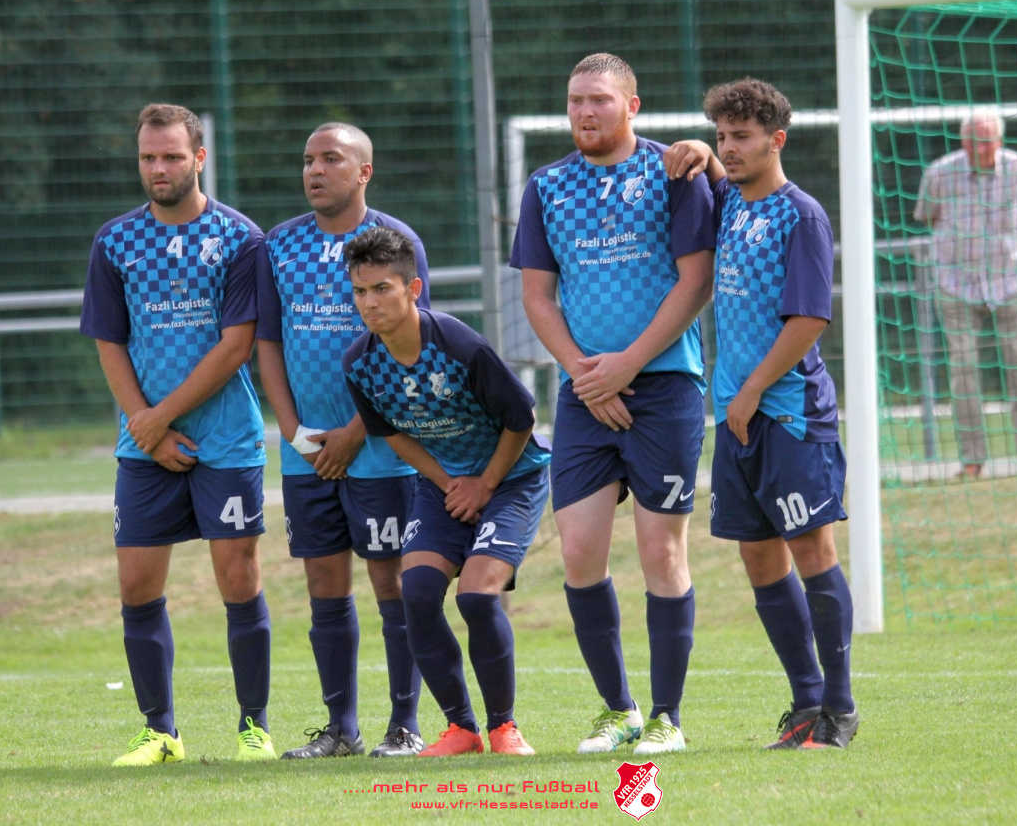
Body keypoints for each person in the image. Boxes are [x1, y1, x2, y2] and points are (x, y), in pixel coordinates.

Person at [510, 52, 715, 755]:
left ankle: (667, 718)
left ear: (632, 105)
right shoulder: (547, 186)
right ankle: (618, 710)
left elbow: (695, 281)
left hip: (665, 387)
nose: (584, 111)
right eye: (575, 100)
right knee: (578, 552)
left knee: (661, 550)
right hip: (583, 392)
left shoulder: (673, 171)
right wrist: (583, 373)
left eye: (599, 98)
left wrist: (628, 363)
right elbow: (537, 295)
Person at [664, 77, 858, 749]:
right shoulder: (730, 204)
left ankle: (839, 709)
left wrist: (751, 390)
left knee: (811, 550)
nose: (729, 147)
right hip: (736, 416)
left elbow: (809, 319)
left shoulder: (801, 215)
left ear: (777, 140)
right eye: (722, 135)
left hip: (790, 412)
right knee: (758, 556)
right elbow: (715, 175)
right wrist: (700, 150)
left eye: (742, 136)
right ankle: (805, 703)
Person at [80, 103, 274, 766]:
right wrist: (147, 426)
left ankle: (253, 729)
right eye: (148, 157)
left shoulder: (240, 237)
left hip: (225, 438)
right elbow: (109, 342)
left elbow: (235, 345)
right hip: (144, 444)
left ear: (199, 158)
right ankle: (160, 732)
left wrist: (159, 417)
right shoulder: (114, 241)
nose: (158, 168)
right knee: (136, 584)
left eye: (171, 156)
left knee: (238, 577)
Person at [341, 227, 551, 757]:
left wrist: (484, 484)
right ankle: (462, 729)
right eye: (360, 291)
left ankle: (504, 728)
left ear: (413, 289)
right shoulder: (359, 363)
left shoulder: (460, 346)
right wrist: (447, 483)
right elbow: (390, 434)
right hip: (446, 485)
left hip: (513, 478)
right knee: (415, 594)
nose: (369, 302)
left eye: (382, 289)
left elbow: (522, 419)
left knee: (476, 597)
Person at [256, 122, 427, 759]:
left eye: (331, 158)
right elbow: (267, 342)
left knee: (394, 588)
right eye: (308, 160)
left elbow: (412, 344)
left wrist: (359, 430)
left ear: (364, 172)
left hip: (381, 448)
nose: (315, 170)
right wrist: (292, 430)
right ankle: (340, 730)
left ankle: (405, 726)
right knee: (324, 586)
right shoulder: (277, 245)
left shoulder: (396, 241)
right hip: (306, 452)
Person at [914, 110, 1017, 479]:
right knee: (963, 370)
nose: (980, 148)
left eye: (987, 141)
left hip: (1009, 280)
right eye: (973, 141)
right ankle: (972, 461)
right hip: (956, 282)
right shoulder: (940, 173)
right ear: (963, 142)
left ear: (999, 141)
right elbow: (929, 216)